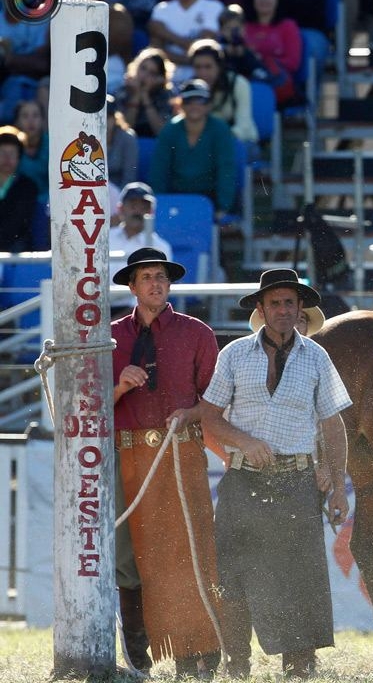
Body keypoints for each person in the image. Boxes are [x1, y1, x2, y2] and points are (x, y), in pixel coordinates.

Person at [200, 268, 351, 679]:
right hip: (244, 478)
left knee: (300, 575)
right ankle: (237, 664)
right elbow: (209, 418)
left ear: (301, 308)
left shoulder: (318, 357)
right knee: (232, 571)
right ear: (261, 309)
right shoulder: (232, 354)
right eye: (275, 303)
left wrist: (337, 486)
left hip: (297, 480)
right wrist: (245, 442)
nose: (283, 310)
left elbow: (333, 425)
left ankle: (299, 665)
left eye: (290, 302)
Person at [111, 247, 221, 678]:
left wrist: (190, 414)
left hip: (181, 451)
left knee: (188, 552)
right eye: (146, 277)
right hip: (129, 455)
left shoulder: (197, 333)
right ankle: (140, 659)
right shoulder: (110, 336)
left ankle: (197, 656)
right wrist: (119, 387)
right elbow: (87, 408)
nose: (156, 283)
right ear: (132, 286)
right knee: (130, 557)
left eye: (161, 276)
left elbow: (215, 402)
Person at [149, 78, 238, 223]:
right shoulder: (169, 130)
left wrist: (223, 207)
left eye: (200, 101)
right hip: (175, 197)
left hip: (210, 199)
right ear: (181, 104)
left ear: (209, 105)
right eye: (189, 101)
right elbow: (159, 170)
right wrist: (159, 205)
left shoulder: (220, 129)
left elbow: (226, 169)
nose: (194, 106)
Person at [148, 0, 224, 84]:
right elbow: (156, 49)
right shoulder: (161, 9)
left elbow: (206, 46)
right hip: (168, 80)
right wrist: (193, 55)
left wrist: (166, 34)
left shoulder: (213, 7)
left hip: (203, 79)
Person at [243, 0, 304, 107]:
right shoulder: (244, 27)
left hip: (277, 84)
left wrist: (263, 60)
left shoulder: (288, 27)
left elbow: (293, 62)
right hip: (246, 82)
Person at [189, 39, 259, 145]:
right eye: (198, 67)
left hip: (240, 142)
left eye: (208, 67)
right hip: (204, 146)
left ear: (219, 66)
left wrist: (219, 141)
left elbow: (243, 125)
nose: (203, 72)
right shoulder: (190, 89)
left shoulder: (238, 84)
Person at [108, 183, 175, 284]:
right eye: (133, 206)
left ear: (152, 212)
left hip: (139, 300)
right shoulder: (103, 240)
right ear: (120, 209)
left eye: (144, 207)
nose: (138, 211)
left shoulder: (161, 248)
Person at [118, 48, 176, 139]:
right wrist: (136, 96)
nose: (144, 75)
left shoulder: (165, 95)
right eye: (143, 68)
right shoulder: (123, 91)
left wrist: (145, 97)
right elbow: (124, 129)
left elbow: (160, 132)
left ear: (160, 77)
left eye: (152, 73)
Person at [0, 126, 41, 253]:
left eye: (12, 153)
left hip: (17, 250)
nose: (7, 158)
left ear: (19, 157)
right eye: (2, 153)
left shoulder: (28, 187)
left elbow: (16, 226)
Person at [106, 95, 139, 189]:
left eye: (108, 116)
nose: (103, 120)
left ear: (115, 118)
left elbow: (129, 178)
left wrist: (117, 199)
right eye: (99, 116)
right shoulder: (83, 139)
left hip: (119, 195)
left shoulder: (128, 139)